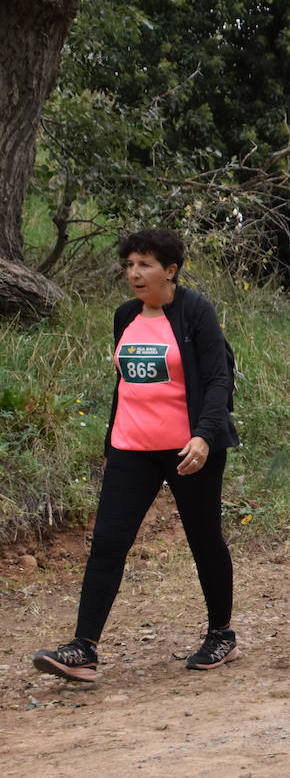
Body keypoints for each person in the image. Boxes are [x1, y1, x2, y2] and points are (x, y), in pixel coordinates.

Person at [33, 229, 239, 683]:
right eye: (129, 265)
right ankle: (83, 647)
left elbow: (218, 379)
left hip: (190, 450)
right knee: (107, 543)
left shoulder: (195, 311)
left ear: (171, 270)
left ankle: (221, 633)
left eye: (144, 264)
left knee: (204, 540)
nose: (134, 273)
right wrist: (111, 446)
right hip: (132, 448)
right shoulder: (125, 315)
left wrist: (205, 436)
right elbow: (125, 385)